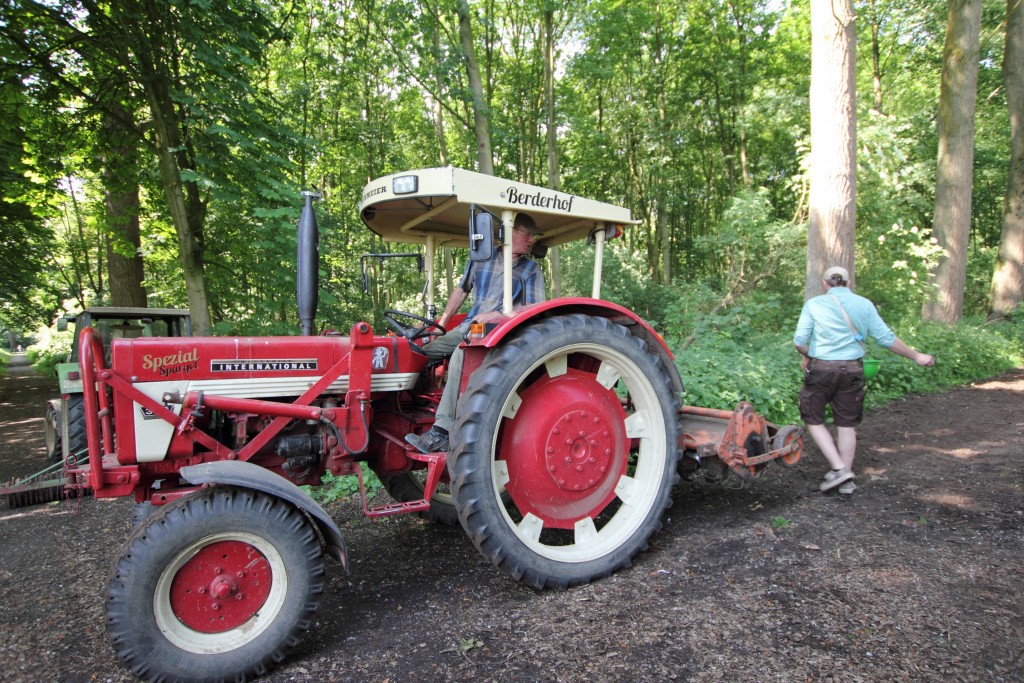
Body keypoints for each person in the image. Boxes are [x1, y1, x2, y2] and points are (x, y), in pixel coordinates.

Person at [405, 212, 545, 453]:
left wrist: (498, 314)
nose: (531, 239)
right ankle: (410, 411)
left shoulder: (530, 269)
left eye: (532, 235)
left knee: (462, 353)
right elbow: (461, 291)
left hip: (499, 333)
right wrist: (441, 324)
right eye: (526, 233)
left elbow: (534, 308)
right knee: (419, 353)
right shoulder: (482, 258)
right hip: (469, 327)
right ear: (508, 232)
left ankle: (443, 430)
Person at [793, 266, 935, 494]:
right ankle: (846, 481)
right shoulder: (864, 304)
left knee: (812, 418)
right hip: (853, 369)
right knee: (846, 424)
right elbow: (886, 338)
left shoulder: (814, 305)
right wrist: (916, 355)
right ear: (848, 283)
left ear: (824, 283)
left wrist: (808, 354)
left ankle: (839, 469)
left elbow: (799, 340)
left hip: (822, 369)